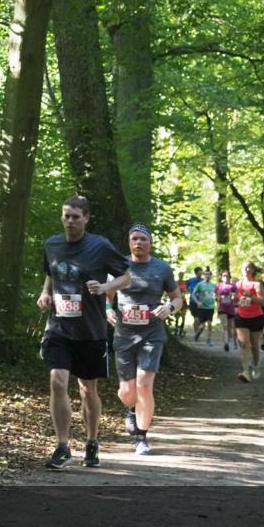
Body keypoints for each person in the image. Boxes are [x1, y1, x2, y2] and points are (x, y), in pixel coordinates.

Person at [36, 195, 131, 470]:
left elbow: (127, 277)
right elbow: (50, 273)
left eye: (75, 217)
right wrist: (45, 293)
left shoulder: (100, 246)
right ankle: (62, 446)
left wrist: (105, 288)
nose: (69, 221)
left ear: (86, 219)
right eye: (66, 216)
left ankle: (91, 441)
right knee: (57, 381)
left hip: (91, 329)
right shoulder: (52, 244)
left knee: (88, 390)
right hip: (59, 327)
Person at [106, 224, 182, 455]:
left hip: (152, 333)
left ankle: (141, 436)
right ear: (129, 242)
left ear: (150, 243)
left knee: (145, 384)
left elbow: (177, 298)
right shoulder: (118, 265)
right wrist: (108, 309)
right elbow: (107, 295)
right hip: (124, 334)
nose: (139, 242)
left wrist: (169, 307)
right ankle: (131, 409)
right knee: (127, 392)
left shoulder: (162, 268)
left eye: (143, 239)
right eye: (135, 239)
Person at [234, 261, 264, 382]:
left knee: (254, 345)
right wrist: (236, 300)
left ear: (252, 270)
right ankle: (245, 371)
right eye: (243, 267)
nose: (245, 269)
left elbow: (263, 302)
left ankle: (256, 364)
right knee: (244, 344)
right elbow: (236, 299)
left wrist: (251, 296)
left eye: (248, 267)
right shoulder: (238, 284)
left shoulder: (257, 284)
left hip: (256, 317)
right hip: (241, 317)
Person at [191, 267, 217, 346]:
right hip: (202, 307)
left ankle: (208, 340)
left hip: (210, 307)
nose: (207, 276)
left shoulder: (213, 285)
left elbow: (216, 295)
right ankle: (197, 334)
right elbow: (193, 294)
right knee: (202, 326)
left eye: (209, 274)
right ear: (204, 275)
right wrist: (197, 302)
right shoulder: (200, 285)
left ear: (211, 276)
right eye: (206, 274)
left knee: (209, 324)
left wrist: (217, 298)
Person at [216, 270, 237, 352]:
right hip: (222, 308)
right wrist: (217, 298)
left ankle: (227, 340)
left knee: (229, 328)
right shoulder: (218, 286)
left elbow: (236, 295)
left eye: (227, 276)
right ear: (222, 277)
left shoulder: (233, 286)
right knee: (225, 325)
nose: (225, 277)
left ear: (229, 277)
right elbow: (215, 295)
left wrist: (233, 296)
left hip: (230, 308)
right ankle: (226, 343)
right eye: (224, 276)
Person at [186, 267, 203, 336]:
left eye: (201, 274)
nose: (200, 275)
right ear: (196, 273)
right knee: (196, 318)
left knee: (200, 318)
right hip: (193, 302)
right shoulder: (190, 281)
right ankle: (196, 333)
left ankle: (199, 329)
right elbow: (187, 289)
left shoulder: (203, 281)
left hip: (201, 302)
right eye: (199, 274)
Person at [174, 272, 189, 337]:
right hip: (177, 301)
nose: (181, 276)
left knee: (183, 317)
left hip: (183, 301)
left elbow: (187, 291)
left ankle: (181, 331)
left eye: (182, 275)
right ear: (178, 275)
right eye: (180, 275)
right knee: (177, 317)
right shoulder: (175, 283)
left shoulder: (185, 282)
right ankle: (176, 331)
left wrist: (184, 292)